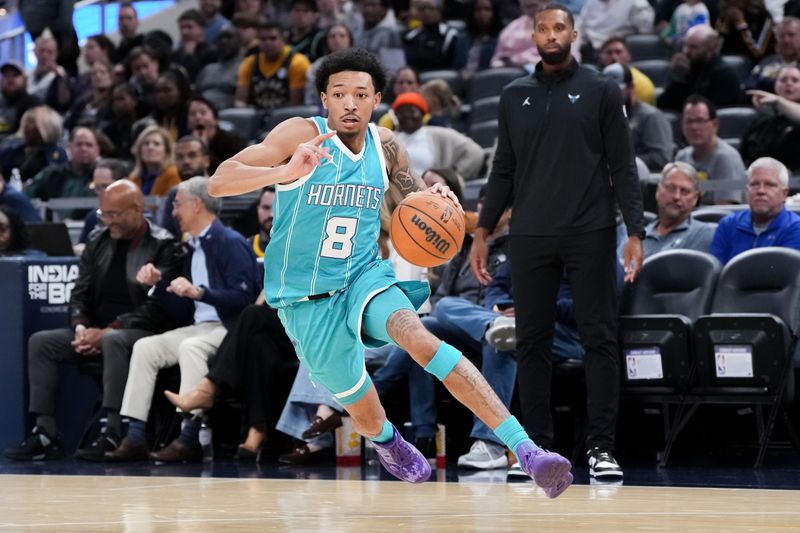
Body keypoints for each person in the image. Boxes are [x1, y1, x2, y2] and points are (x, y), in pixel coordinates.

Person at [208, 47, 573, 496]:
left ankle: (527, 449)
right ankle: (387, 441)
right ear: (324, 98)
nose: (350, 103)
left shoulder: (387, 148)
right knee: (363, 409)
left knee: (421, 340)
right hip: (304, 300)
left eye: (360, 94)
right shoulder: (301, 135)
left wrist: (443, 201)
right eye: (339, 93)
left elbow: (419, 207)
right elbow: (219, 180)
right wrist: (284, 170)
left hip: (364, 278)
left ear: (376, 98)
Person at [469, 4, 645, 480]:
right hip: (529, 234)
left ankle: (602, 448)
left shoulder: (602, 91)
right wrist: (482, 231)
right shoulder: (513, 95)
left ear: (573, 33)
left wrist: (635, 230)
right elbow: (502, 168)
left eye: (559, 27)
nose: (551, 35)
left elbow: (623, 166)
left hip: (590, 231)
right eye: (543, 28)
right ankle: (537, 450)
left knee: (600, 340)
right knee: (531, 344)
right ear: (533, 35)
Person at [2, 180, 186, 461]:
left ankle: (113, 430)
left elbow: (156, 308)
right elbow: (79, 293)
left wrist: (106, 331)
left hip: (141, 331)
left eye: (113, 214)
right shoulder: (97, 240)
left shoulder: (163, 245)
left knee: (113, 341)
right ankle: (45, 432)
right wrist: (80, 328)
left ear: (137, 211)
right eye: (103, 214)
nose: (106, 221)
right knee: (42, 343)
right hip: (96, 330)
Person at [106, 177, 260, 462]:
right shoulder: (190, 248)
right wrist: (155, 285)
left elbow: (243, 298)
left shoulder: (230, 242)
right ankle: (136, 436)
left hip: (229, 329)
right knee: (146, 348)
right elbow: (182, 309)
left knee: (191, 347)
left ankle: (189, 437)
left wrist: (200, 292)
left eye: (177, 204)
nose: (174, 212)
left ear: (197, 204)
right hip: (199, 327)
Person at [709, 157, 800, 264]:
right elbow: (716, 272)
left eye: (770, 185)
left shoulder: (796, 228)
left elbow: (783, 276)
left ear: (784, 194)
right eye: (754, 184)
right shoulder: (728, 224)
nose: (761, 191)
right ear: (747, 191)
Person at [392, 92, 484, 180]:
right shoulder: (389, 138)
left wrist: (453, 176)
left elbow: (475, 152)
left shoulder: (439, 134)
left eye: (411, 111)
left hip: (431, 193)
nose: (407, 115)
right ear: (396, 115)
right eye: (402, 112)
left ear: (422, 114)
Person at [674, 94, 746, 204]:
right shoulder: (681, 157)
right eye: (689, 121)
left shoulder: (728, 159)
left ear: (715, 125)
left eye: (700, 121)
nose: (694, 127)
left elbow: (725, 209)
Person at [603, 62, 674, 171]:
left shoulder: (650, 117)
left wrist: (622, 163)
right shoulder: (603, 117)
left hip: (641, 181)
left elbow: (662, 159)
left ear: (631, 88)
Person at [658, 25, 744, 111]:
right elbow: (663, 107)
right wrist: (678, 79)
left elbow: (712, 114)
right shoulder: (683, 68)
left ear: (711, 49)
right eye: (685, 45)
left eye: (694, 47)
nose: (686, 51)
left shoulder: (724, 75)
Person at [234, 21, 311, 116]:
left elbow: (296, 104)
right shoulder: (249, 63)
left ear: (284, 40)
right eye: (263, 39)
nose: (267, 43)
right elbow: (240, 100)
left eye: (273, 38)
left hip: (285, 118)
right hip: (256, 118)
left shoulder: (298, 62)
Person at [643, 162, 716, 256]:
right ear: (658, 191)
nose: (676, 197)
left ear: (695, 199)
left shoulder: (703, 234)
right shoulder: (637, 236)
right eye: (671, 188)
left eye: (684, 191)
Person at [740, 65, 800, 170]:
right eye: (783, 80)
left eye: (795, 80)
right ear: (775, 85)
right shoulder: (762, 117)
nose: (788, 83)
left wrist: (778, 101)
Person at [75, 158, 130, 255]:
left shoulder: (140, 217)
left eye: (106, 187)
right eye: (97, 188)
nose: (101, 194)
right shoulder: (93, 217)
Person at [744, 17, 800, 92]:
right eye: (781, 36)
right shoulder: (768, 62)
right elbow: (749, 87)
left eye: (791, 35)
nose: (786, 40)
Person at [597, 37, 657, 106]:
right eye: (609, 53)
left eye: (619, 52)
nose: (614, 57)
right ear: (601, 57)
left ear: (629, 55)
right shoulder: (595, 82)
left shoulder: (642, 83)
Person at [0, 61, 42, 141]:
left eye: (15, 75)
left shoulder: (32, 103)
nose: (10, 79)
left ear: (25, 80)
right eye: (6, 76)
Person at [247, 186, 274, 258]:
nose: (271, 214)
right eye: (266, 207)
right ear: (257, 209)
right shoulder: (245, 248)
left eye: (276, 208)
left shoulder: (298, 248)